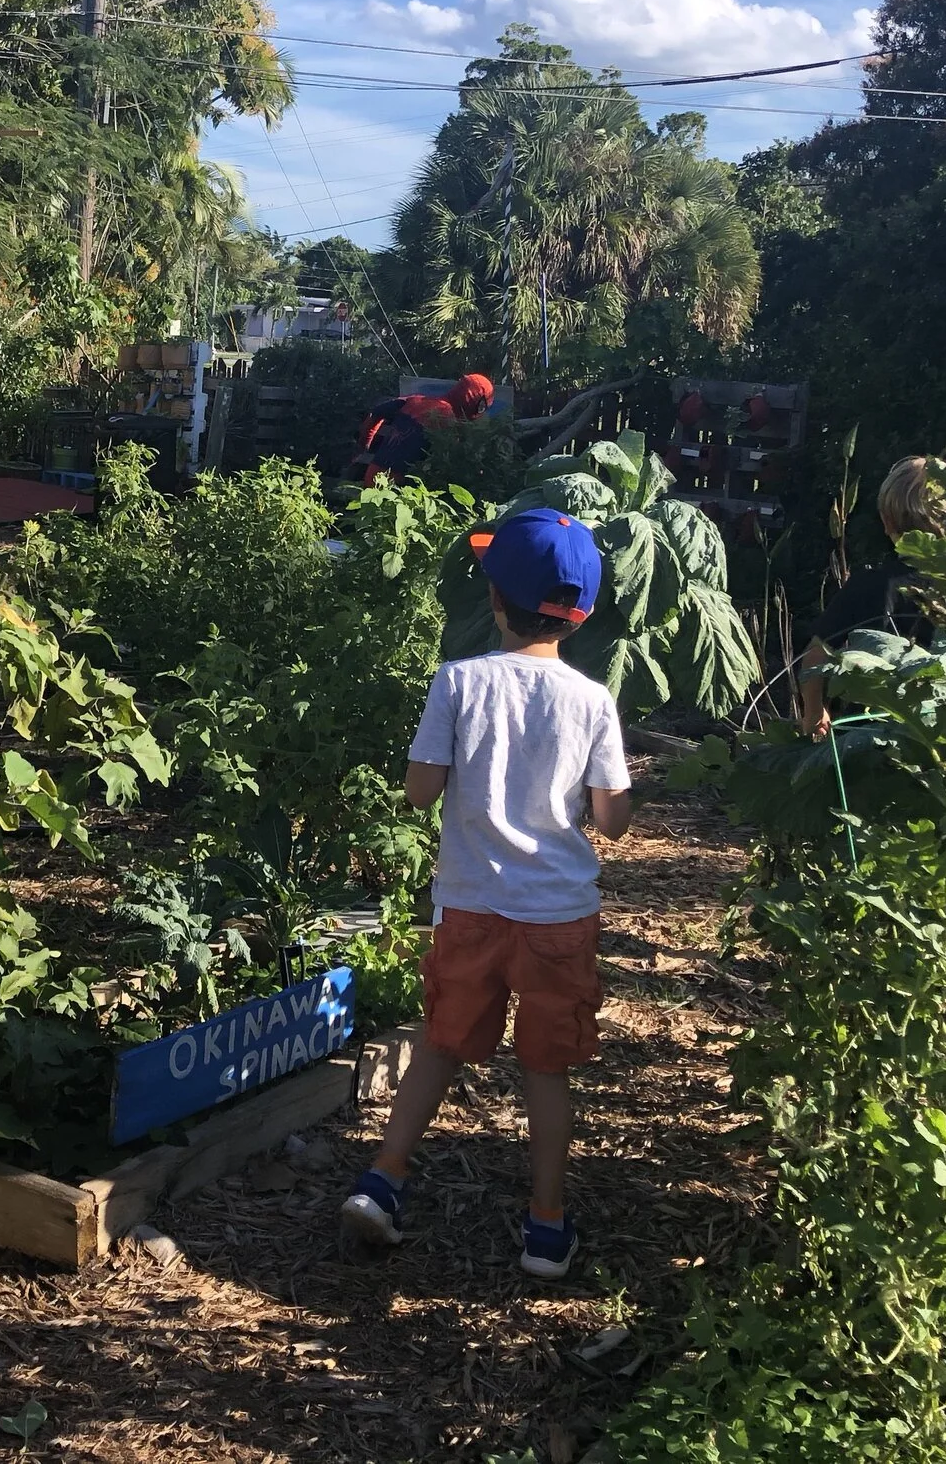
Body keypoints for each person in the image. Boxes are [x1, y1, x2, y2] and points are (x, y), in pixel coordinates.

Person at [341, 506, 632, 1280]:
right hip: (559, 915)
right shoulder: (594, 701)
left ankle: (384, 1180)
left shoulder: (458, 681)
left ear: (495, 600)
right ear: (583, 614)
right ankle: (544, 1229)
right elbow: (613, 817)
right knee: (546, 1070)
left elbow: (417, 792)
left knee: (441, 1044)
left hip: (470, 904)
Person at [796, 455, 944, 741]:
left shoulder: (868, 586)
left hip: (866, 742)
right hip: (945, 747)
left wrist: (815, 713)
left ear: (887, 522)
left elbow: (814, 657)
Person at [347, 372, 496, 486]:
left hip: (373, 475)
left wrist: (365, 444)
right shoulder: (451, 424)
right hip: (401, 488)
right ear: (476, 403)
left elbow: (376, 412)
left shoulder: (415, 400)